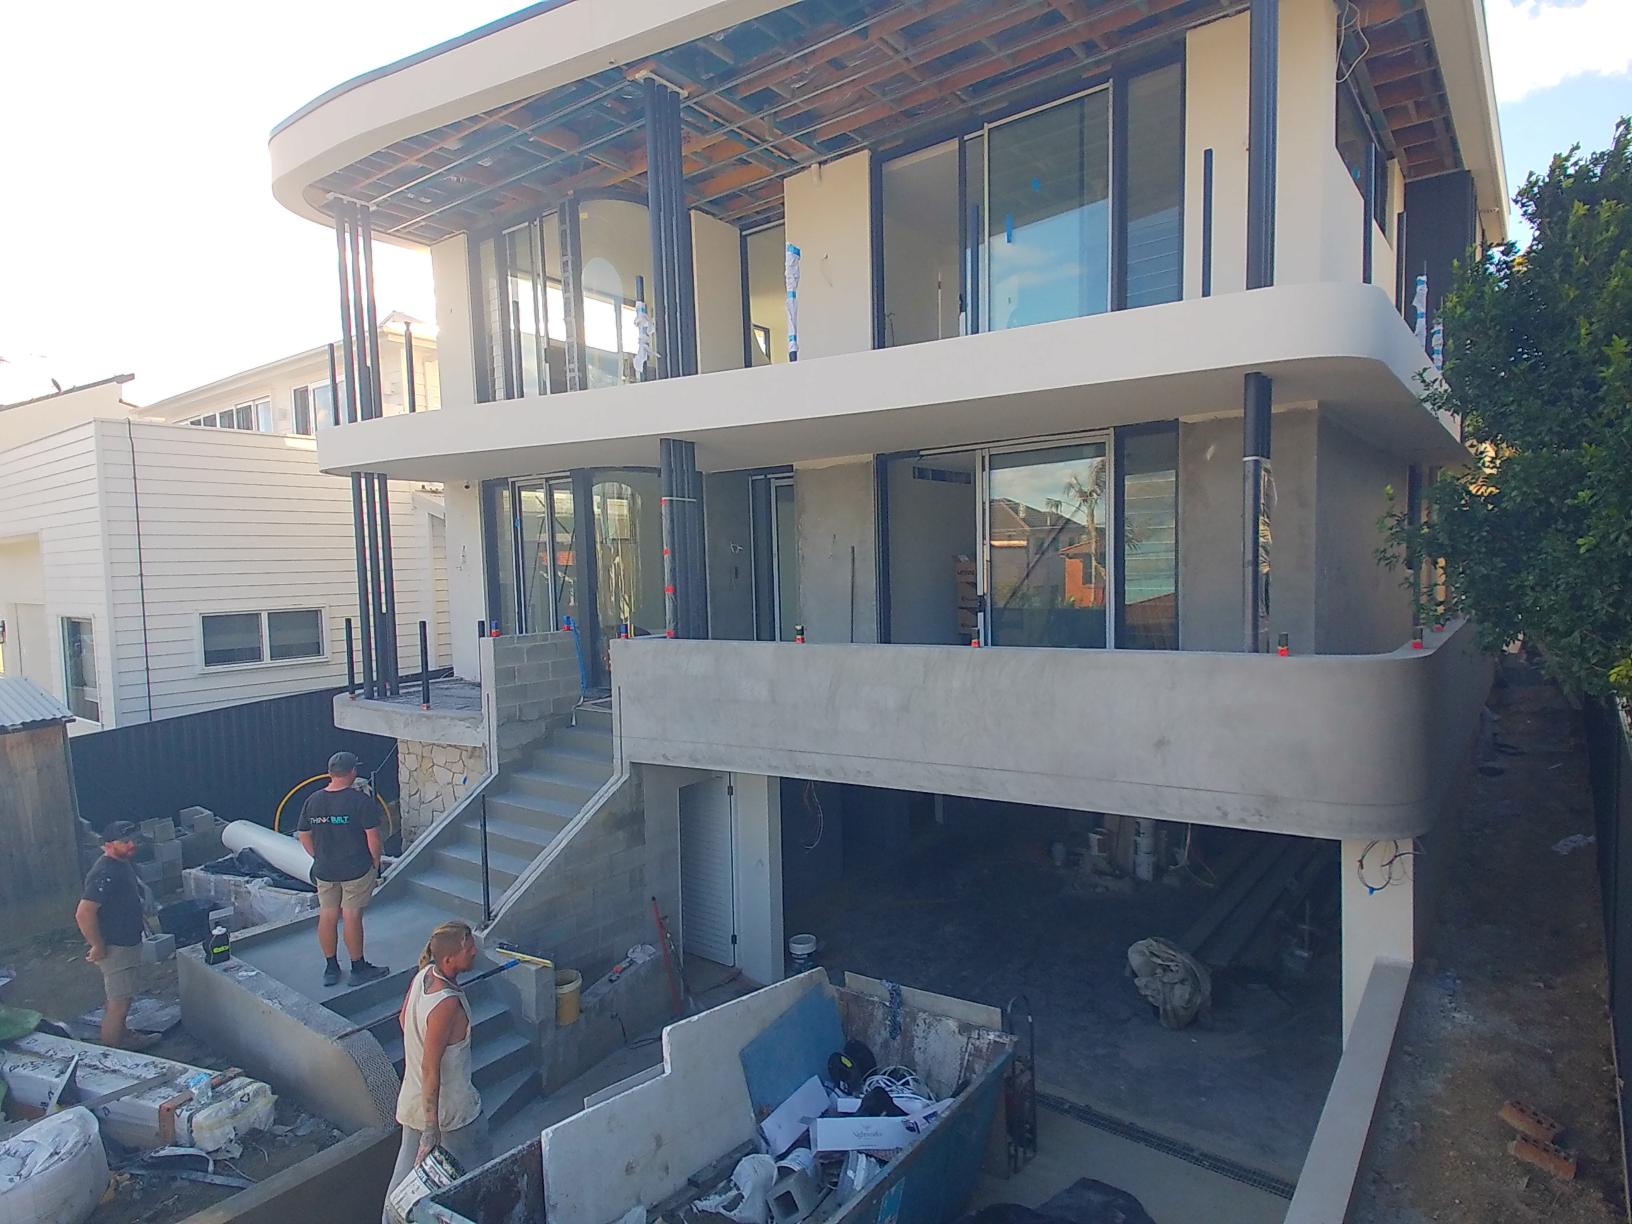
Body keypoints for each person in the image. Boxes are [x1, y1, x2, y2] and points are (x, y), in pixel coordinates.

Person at [384, 921, 487, 1221]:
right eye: (468, 948)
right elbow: (431, 1069)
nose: (475, 951)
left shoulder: (423, 975)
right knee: (484, 1182)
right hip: (452, 1115)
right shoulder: (446, 1004)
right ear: (449, 959)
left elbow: (404, 1020)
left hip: (414, 1102)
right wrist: (431, 1132)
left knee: (402, 1189)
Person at [297, 751, 388, 987]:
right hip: (355, 868)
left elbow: (303, 833)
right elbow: (373, 837)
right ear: (352, 772)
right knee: (351, 915)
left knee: (328, 914)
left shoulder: (313, 800)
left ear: (330, 772)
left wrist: (317, 856)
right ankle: (358, 968)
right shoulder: (360, 802)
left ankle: (331, 968)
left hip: (325, 869)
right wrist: (375, 862)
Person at [75, 822, 159, 1051]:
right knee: (118, 1004)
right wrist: (97, 945)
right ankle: (113, 1050)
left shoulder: (121, 863)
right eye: (125, 842)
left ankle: (123, 1034)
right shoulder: (105, 873)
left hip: (127, 942)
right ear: (109, 845)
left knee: (124, 995)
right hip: (116, 947)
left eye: (134, 840)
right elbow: (84, 912)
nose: (132, 845)